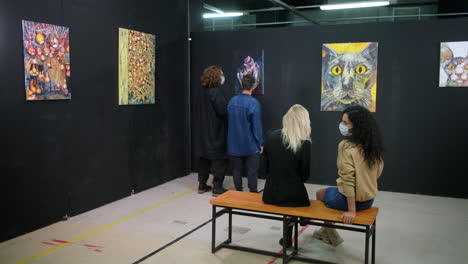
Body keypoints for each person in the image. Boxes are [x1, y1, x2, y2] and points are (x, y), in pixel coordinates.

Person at [315, 105, 384, 246]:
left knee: (320, 194)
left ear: (356, 126)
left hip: (351, 202)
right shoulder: (372, 145)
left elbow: (348, 180)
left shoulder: (346, 146)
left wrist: (351, 211)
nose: (341, 125)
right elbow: (378, 172)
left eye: (345, 123)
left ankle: (329, 231)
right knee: (333, 190)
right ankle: (324, 231)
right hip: (369, 200)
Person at [262, 104, 312, 247]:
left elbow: (265, 168)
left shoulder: (271, 137)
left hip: (271, 194)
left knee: (291, 201)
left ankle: (287, 239)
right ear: (304, 121)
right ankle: (293, 230)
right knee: (296, 200)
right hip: (294, 196)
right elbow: (305, 175)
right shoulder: (304, 143)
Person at [196, 66, 229, 197]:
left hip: (202, 131)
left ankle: (202, 185)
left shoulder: (201, 91)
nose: (223, 77)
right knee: (220, 159)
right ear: (216, 77)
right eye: (221, 75)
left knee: (204, 159)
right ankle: (217, 187)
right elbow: (222, 111)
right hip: (215, 130)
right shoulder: (216, 92)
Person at [227, 74, 263, 193]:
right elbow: (256, 127)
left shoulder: (232, 101)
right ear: (253, 86)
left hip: (234, 143)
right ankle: (252, 192)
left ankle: (238, 192)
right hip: (250, 144)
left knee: (236, 170)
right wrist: (260, 143)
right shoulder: (254, 103)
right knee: (252, 170)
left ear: (241, 84)